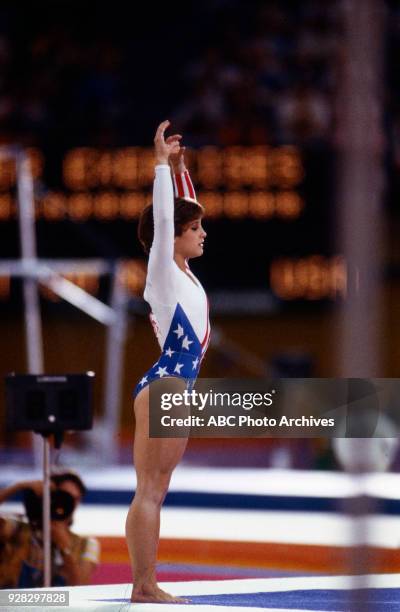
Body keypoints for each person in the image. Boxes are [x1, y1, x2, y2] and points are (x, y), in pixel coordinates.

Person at [125, 120, 210, 603]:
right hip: (169, 385)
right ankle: (144, 585)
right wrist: (160, 167)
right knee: (151, 490)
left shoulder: (182, 274)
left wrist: (180, 171)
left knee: (153, 487)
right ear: (173, 238)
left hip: (171, 384)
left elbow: (177, 214)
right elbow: (165, 221)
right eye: (196, 229)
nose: (203, 234)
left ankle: (144, 583)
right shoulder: (162, 272)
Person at [0, 470, 99, 588]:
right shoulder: (17, 529)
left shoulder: (87, 544)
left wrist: (65, 549)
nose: (69, 503)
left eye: (75, 499)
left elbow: (81, 586)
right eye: (65, 496)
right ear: (50, 496)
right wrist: (20, 486)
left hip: (56, 605)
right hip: (11, 603)